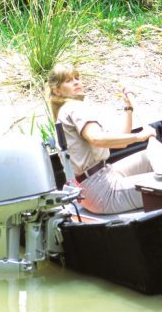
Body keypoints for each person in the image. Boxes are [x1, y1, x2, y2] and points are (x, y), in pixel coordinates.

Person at [47, 65, 156, 214]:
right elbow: (96, 138)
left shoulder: (67, 109)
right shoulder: (73, 107)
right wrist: (139, 136)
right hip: (100, 190)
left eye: (77, 78)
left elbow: (123, 141)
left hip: (98, 180)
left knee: (151, 157)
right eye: (68, 80)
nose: (76, 82)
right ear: (57, 90)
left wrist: (128, 108)